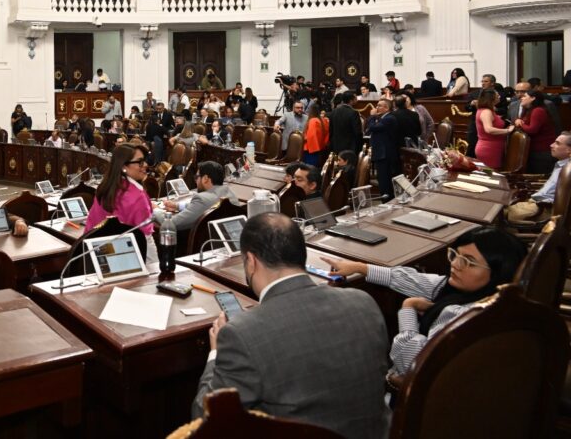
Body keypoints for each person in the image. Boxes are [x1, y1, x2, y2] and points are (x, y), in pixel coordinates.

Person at [194, 213, 389, 438]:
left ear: (251, 262)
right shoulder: (364, 302)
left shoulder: (242, 334)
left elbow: (204, 421)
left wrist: (215, 355)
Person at [327, 227, 526, 376]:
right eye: (455, 255)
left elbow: (410, 364)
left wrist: (408, 308)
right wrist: (361, 268)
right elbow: (413, 279)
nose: (455, 265)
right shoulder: (490, 300)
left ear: (499, 273)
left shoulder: (458, 315)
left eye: (468, 261)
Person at [84, 143, 154, 239]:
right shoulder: (138, 196)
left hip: (94, 248)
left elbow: (91, 224)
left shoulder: (105, 187)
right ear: (123, 166)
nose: (145, 165)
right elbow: (147, 238)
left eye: (144, 161)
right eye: (140, 162)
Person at [156, 161, 239, 231]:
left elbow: (171, 223)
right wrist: (177, 206)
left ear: (205, 179)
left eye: (197, 177)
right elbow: (204, 206)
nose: (195, 181)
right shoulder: (229, 193)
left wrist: (154, 210)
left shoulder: (202, 199)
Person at [515, 90, 557, 174]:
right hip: (533, 150)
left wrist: (520, 124)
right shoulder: (528, 110)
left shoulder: (538, 111)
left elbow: (532, 130)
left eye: (525, 96)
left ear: (533, 98)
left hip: (542, 151)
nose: (521, 98)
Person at [366, 98, 400, 201]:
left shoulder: (389, 118)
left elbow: (373, 128)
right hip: (382, 153)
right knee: (382, 180)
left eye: (379, 105)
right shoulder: (384, 118)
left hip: (385, 154)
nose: (377, 107)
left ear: (386, 108)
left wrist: (372, 116)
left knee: (384, 180)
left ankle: (387, 201)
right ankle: (386, 200)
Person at [473, 88, 513, 170]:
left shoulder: (488, 110)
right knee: (491, 175)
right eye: (497, 95)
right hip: (489, 149)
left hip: (493, 147)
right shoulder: (486, 111)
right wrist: (507, 131)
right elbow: (489, 129)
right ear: (491, 98)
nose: (499, 96)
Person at [329, 92, 363, 156]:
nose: (357, 100)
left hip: (336, 146)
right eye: (355, 98)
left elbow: (331, 130)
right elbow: (357, 132)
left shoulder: (334, 111)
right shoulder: (353, 113)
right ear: (351, 101)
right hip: (350, 147)